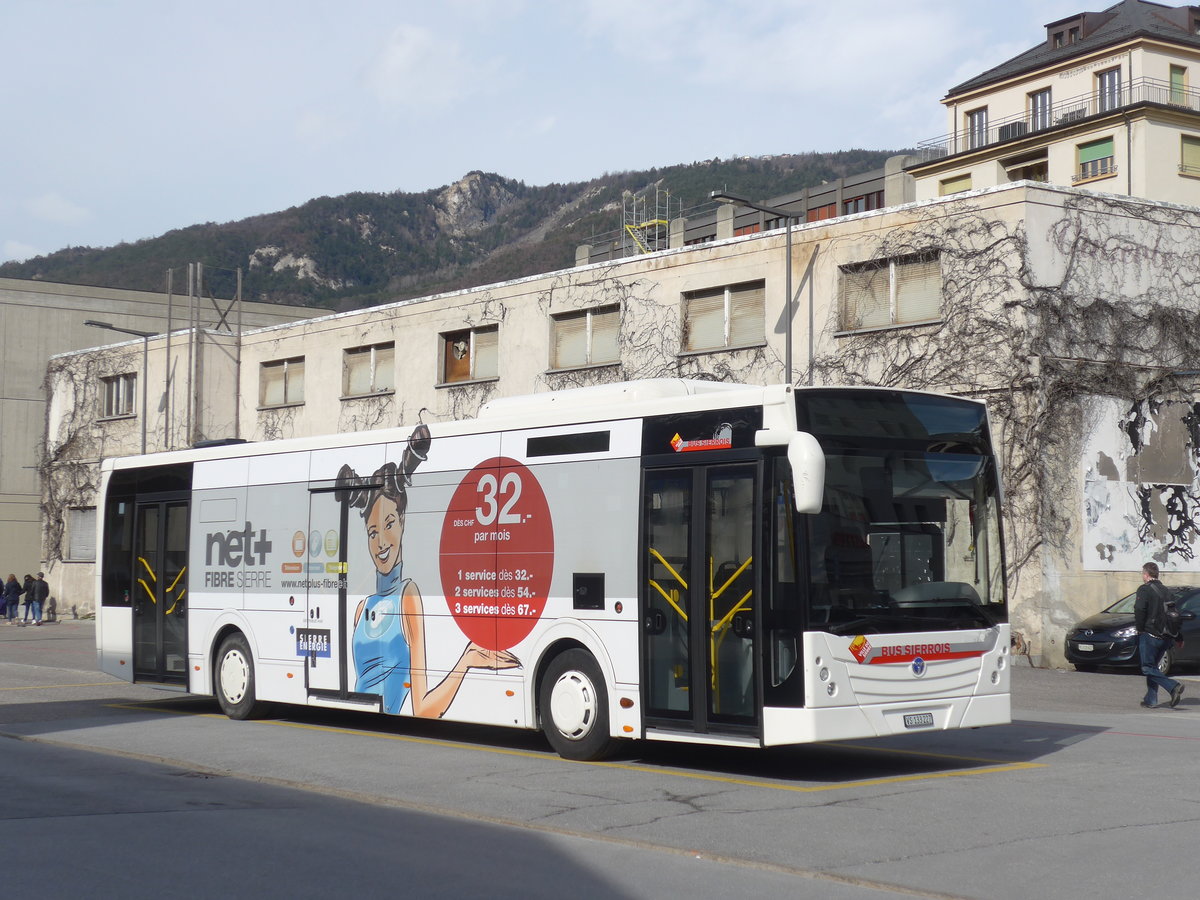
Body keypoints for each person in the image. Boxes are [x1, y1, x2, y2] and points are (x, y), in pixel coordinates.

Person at [335, 425, 518, 717]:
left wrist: (465, 662)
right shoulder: (361, 608)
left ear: (403, 521)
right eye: (372, 532)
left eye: (389, 525)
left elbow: (422, 709)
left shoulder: (408, 596)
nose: (381, 542)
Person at [1134, 562, 1184, 709]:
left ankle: (1173, 686)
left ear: (1145, 574)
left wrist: (1140, 628)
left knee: (1147, 667)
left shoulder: (1144, 590)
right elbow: (1173, 616)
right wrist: (1178, 637)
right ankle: (1151, 699)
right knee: (1153, 667)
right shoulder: (1166, 591)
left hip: (1150, 635)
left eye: (1143, 574)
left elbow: (1139, 609)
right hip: (1166, 637)